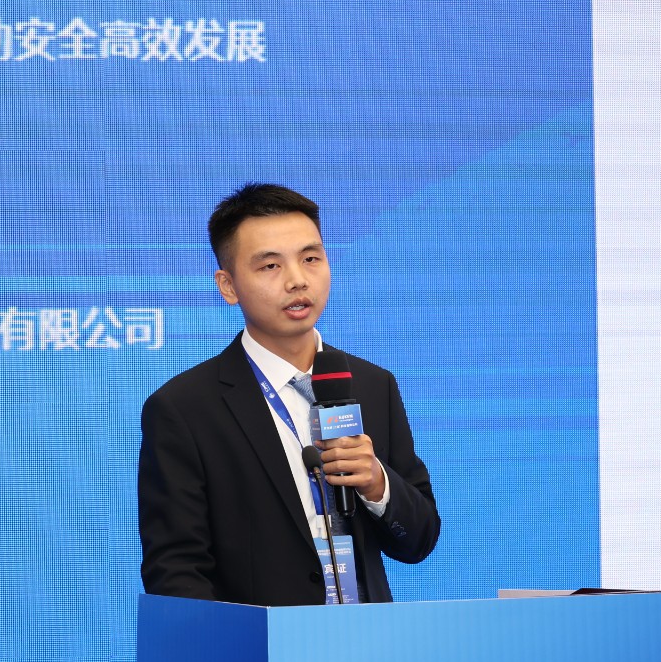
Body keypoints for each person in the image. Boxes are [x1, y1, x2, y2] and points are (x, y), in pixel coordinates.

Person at [138, 183, 439, 605]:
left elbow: (419, 540)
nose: (297, 280)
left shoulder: (373, 384)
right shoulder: (185, 408)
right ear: (228, 286)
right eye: (270, 266)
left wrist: (377, 484)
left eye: (310, 258)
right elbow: (176, 572)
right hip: (259, 642)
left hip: (368, 639)